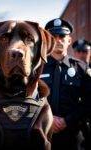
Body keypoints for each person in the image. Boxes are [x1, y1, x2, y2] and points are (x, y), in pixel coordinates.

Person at [40, 18, 91, 150]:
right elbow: (28, 98)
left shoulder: (82, 68)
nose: (58, 40)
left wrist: (66, 121)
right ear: (47, 40)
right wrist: (48, 119)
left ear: (69, 40)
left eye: (62, 36)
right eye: (53, 36)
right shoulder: (37, 68)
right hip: (41, 132)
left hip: (73, 134)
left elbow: (89, 100)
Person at [72, 39, 91, 150]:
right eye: (78, 51)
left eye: (85, 51)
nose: (81, 54)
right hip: (77, 121)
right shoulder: (70, 70)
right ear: (74, 52)